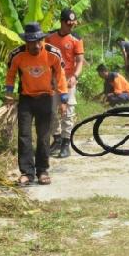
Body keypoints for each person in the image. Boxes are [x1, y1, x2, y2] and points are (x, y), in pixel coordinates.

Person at [5, 22, 68, 186]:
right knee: (24, 135)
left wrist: (63, 99)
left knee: (44, 136)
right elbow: (10, 74)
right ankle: (27, 172)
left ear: (43, 39)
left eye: (39, 41)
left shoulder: (53, 53)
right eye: (32, 42)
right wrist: (9, 94)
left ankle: (42, 170)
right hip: (26, 98)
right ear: (26, 41)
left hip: (46, 98)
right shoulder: (17, 55)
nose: (36, 45)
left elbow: (60, 76)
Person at [45, 8, 85, 159]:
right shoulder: (50, 37)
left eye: (73, 24)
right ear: (61, 22)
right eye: (68, 24)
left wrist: (75, 76)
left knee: (68, 112)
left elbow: (80, 61)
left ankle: (66, 143)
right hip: (52, 79)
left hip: (68, 80)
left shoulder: (76, 39)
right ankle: (56, 139)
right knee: (51, 111)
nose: (71, 27)